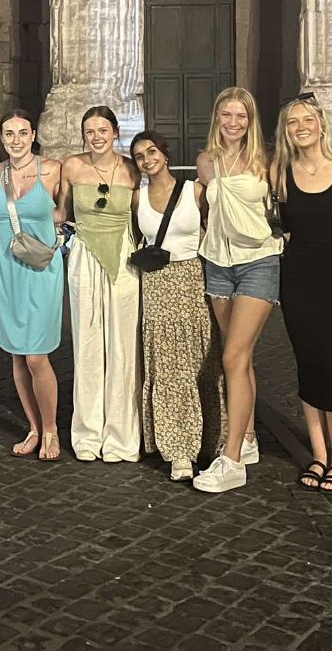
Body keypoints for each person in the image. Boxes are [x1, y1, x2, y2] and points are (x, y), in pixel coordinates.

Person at [191, 86, 283, 494]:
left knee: (232, 355)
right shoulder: (206, 162)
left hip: (258, 262)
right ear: (217, 118)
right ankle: (247, 440)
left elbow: (287, 208)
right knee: (238, 359)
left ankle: (229, 462)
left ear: (251, 121)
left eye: (240, 117)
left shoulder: (267, 161)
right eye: (226, 115)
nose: (233, 123)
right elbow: (206, 211)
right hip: (217, 264)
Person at [272, 93, 332, 494]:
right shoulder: (280, 172)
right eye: (292, 122)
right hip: (296, 282)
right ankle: (319, 454)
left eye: (307, 119)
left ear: (321, 123)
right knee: (308, 367)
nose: (300, 127)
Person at [130, 130, 224, 482]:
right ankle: (178, 450)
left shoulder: (194, 191)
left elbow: (215, 230)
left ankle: (210, 441)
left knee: (201, 361)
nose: (146, 159)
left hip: (192, 281)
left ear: (165, 154)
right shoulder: (136, 198)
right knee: (169, 369)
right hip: (156, 285)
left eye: (151, 151)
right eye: (139, 156)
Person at [59, 106, 141, 463]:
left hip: (124, 258)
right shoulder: (72, 166)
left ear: (115, 131)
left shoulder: (130, 169)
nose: (96, 137)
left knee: (123, 347)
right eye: (89, 131)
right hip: (84, 256)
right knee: (87, 345)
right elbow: (61, 213)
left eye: (102, 130)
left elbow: (144, 215)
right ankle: (88, 435)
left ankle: (122, 437)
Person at [0, 110, 65, 462]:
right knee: (18, 355)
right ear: (1, 138)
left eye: (22, 132)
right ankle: (33, 428)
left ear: (33, 135)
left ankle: (51, 428)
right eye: (9, 134)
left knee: (36, 355)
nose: (15, 139)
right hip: (6, 269)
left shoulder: (52, 169)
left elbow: (64, 214)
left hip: (41, 270)